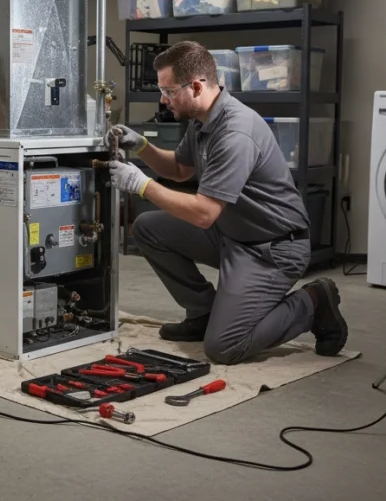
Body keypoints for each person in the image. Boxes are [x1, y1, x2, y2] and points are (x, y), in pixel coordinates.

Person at [107, 41, 347, 365]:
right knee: (148, 228)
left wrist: (141, 185)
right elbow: (180, 169)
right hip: (232, 233)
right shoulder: (202, 120)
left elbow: (204, 214)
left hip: (272, 249)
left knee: (224, 346)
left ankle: (314, 301)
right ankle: (204, 312)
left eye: (168, 91)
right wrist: (142, 146)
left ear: (196, 86)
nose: (162, 100)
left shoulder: (235, 132)